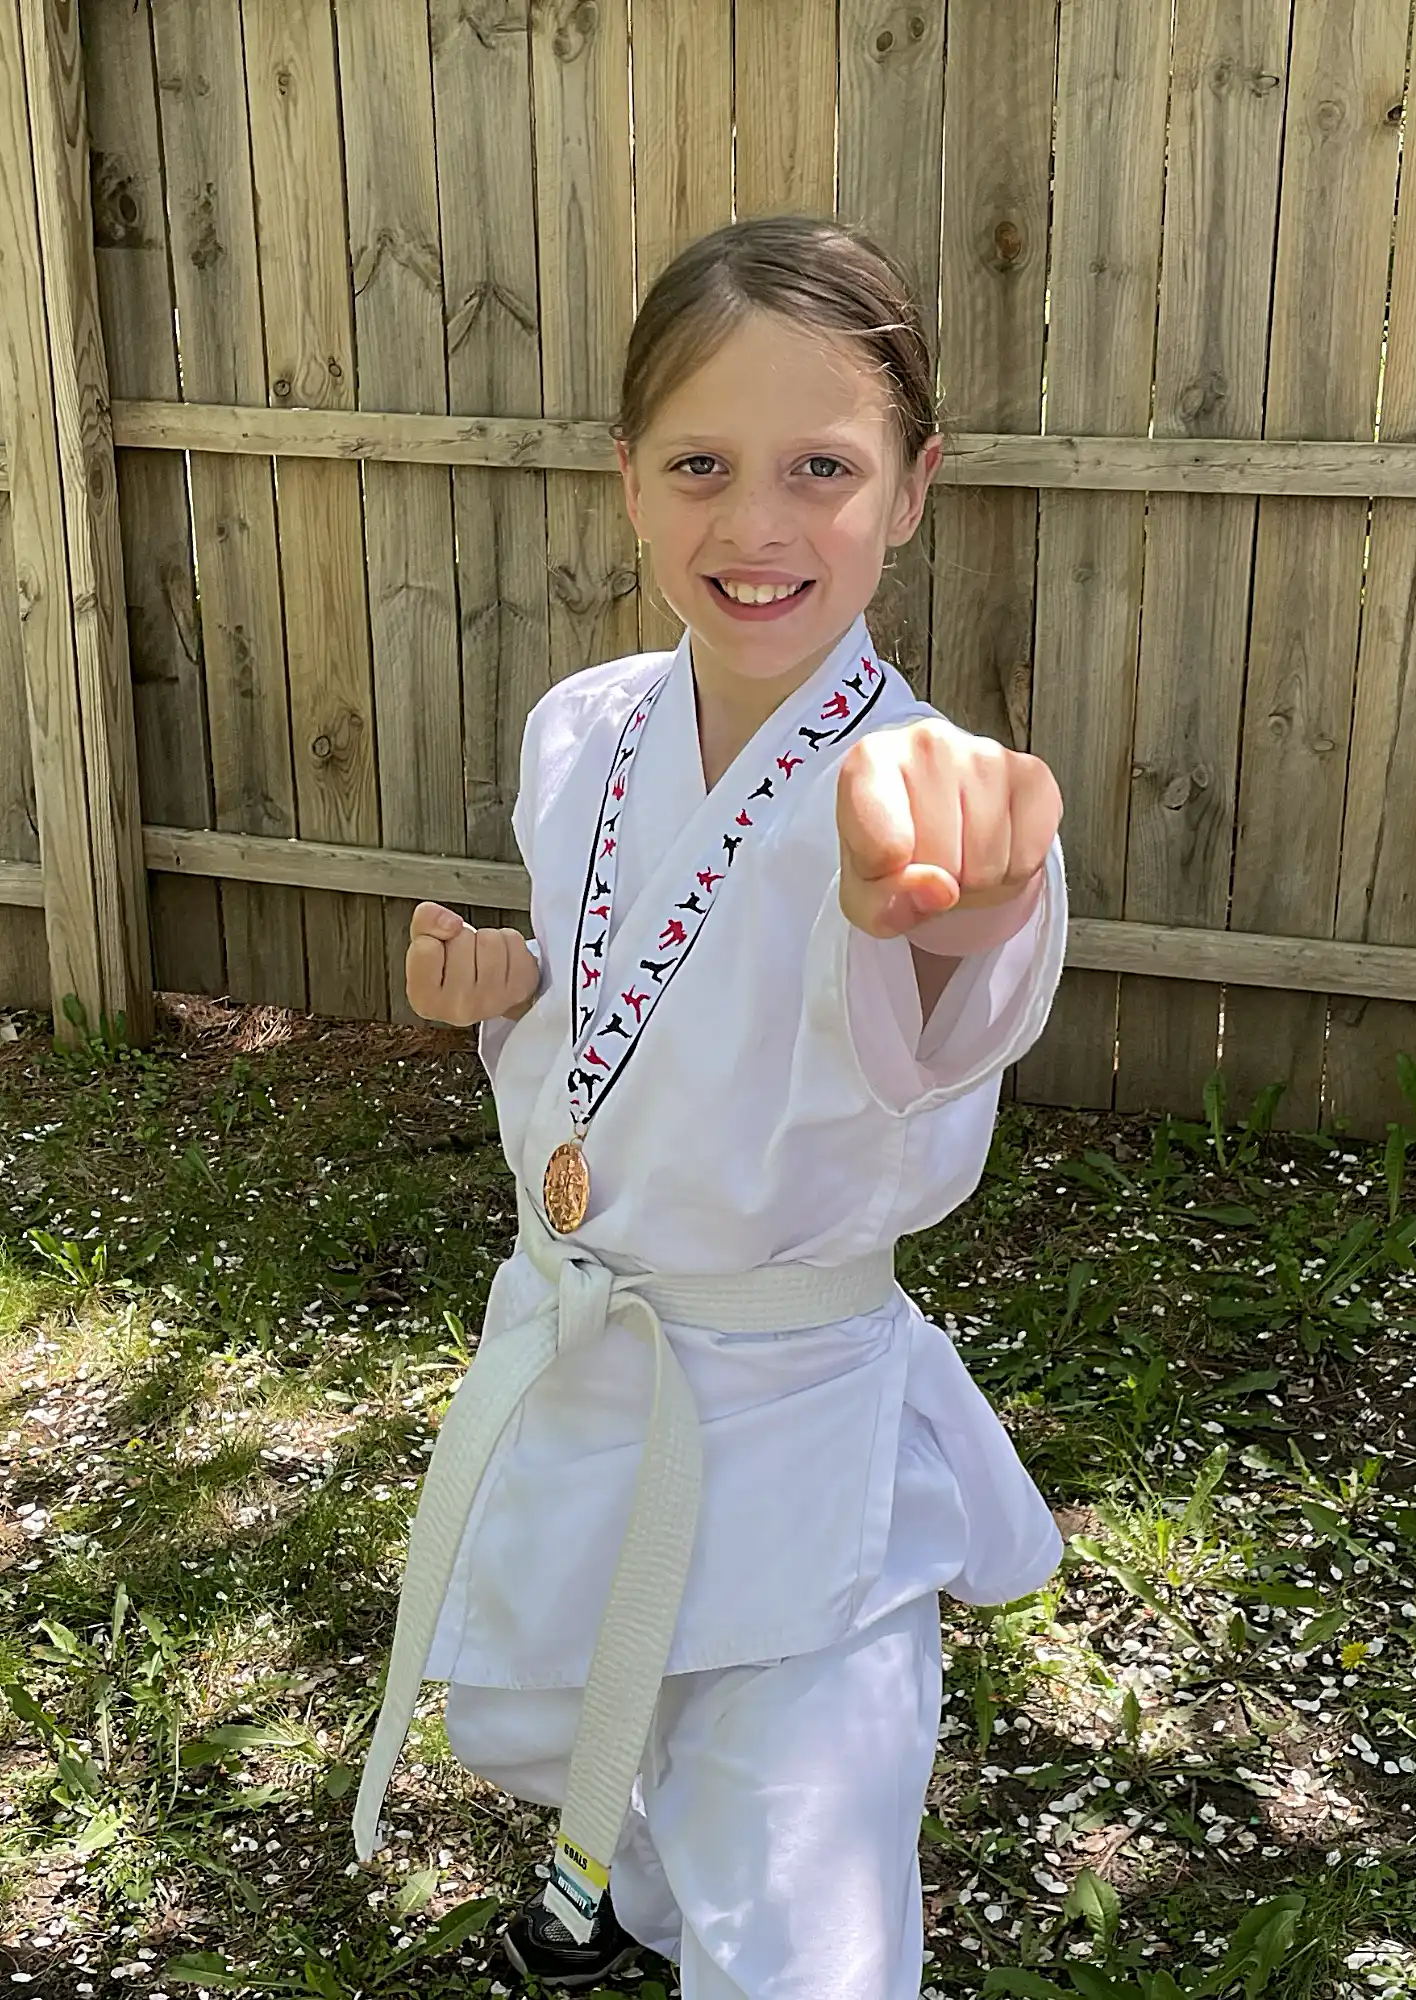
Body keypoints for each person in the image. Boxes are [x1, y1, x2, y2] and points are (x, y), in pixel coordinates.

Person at [354, 215, 1068, 1999]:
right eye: (701, 464)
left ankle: (710, 1908)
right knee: (532, 1712)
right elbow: (631, 1009)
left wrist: (967, 895)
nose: (755, 525)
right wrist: (517, 1000)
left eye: (821, 467)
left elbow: (948, 987)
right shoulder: (581, 728)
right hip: (585, 1345)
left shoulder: (912, 792)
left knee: (801, 1902)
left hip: (789, 1412)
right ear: (625, 480)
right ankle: (641, 1883)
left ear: (911, 490)